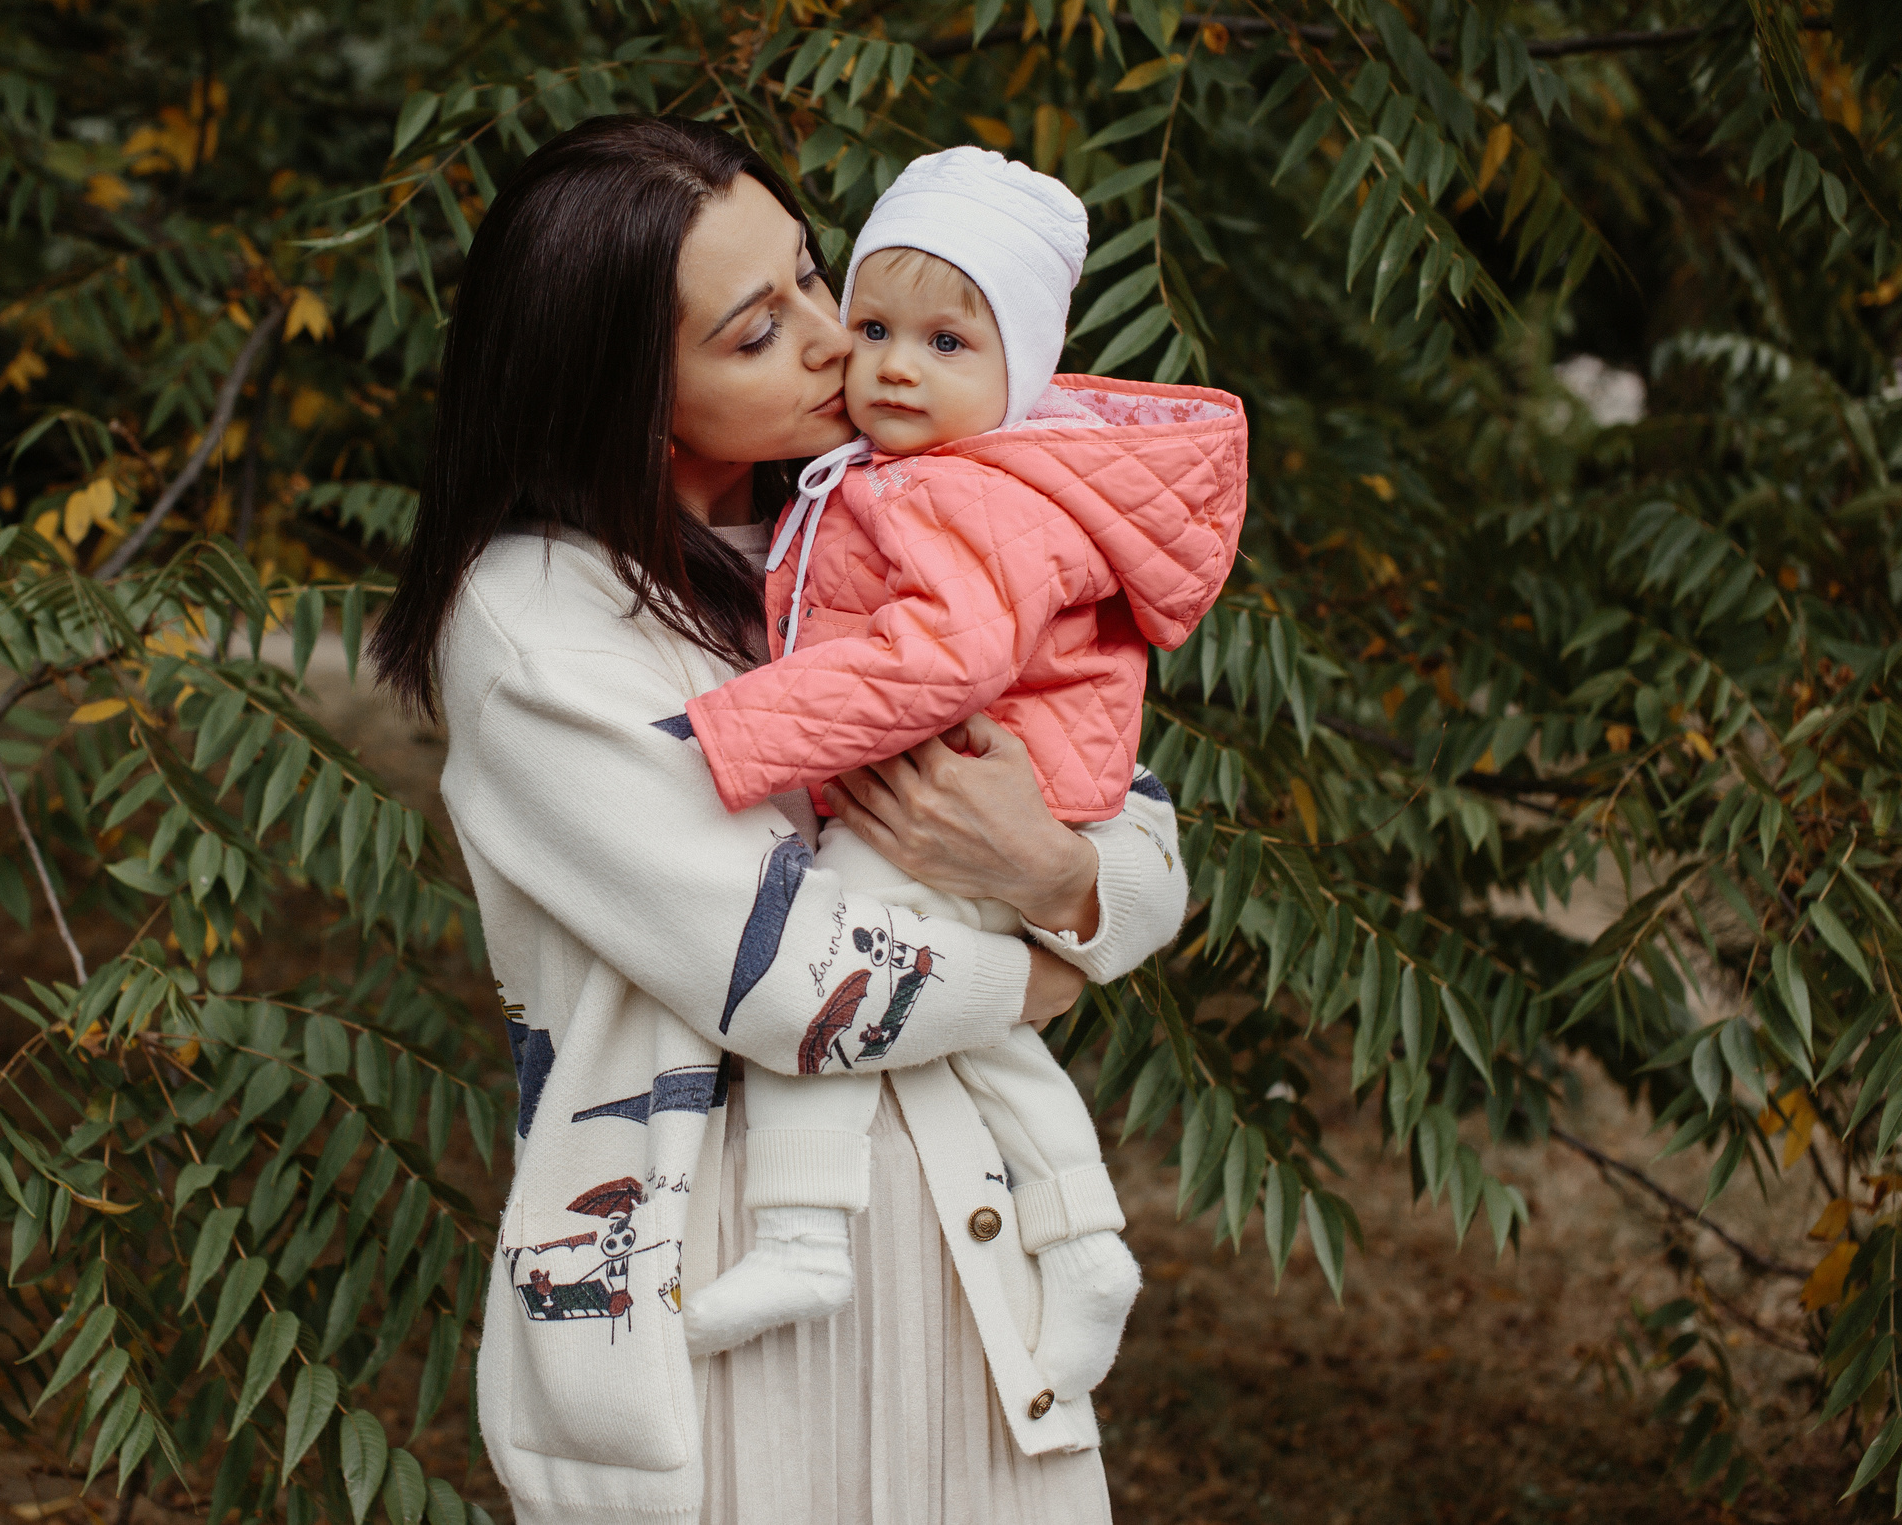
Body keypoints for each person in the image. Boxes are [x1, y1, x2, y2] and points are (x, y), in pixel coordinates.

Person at [371, 114, 1197, 1525]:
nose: (840, 339)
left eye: (815, 276)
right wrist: (1052, 960)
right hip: (727, 1287)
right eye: (760, 330)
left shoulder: (881, 524)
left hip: (971, 1259)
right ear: (620, 388)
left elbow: (1142, 833)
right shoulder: (536, 624)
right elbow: (803, 985)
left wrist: (1058, 872)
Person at [673, 148, 1248, 1392]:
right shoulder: (920, 476)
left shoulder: (955, 495)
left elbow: (942, 657)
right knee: (985, 1045)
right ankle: (1087, 1245)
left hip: (968, 779)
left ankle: (801, 1228)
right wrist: (1038, 965)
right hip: (1008, 794)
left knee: (839, 962)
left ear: (1020, 372)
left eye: (945, 344)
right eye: (875, 324)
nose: (881, 361)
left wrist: (740, 729)